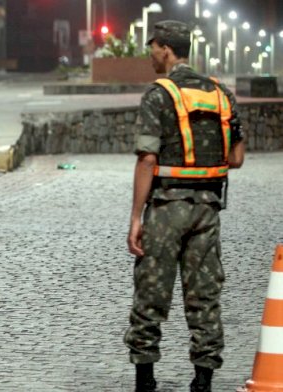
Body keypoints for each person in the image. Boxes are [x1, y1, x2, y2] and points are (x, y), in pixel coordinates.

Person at [124, 20, 245, 392]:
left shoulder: (159, 94)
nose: (150, 54)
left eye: (152, 47)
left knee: (151, 292)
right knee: (205, 294)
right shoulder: (220, 93)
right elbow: (237, 157)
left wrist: (134, 218)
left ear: (164, 48)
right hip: (207, 209)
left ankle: (145, 380)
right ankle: (203, 380)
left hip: (166, 208)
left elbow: (147, 159)